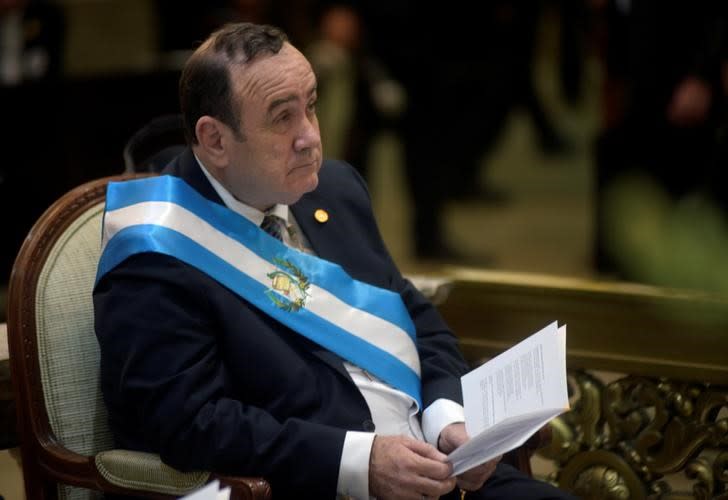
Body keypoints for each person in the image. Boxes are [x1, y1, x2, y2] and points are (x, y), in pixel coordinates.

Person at [94, 23, 574, 499]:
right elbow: (189, 424)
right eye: (282, 118)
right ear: (216, 140)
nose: (310, 138)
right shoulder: (157, 252)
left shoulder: (334, 190)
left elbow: (416, 319)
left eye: (312, 106)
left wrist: (447, 415)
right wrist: (359, 464)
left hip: (440, 469)